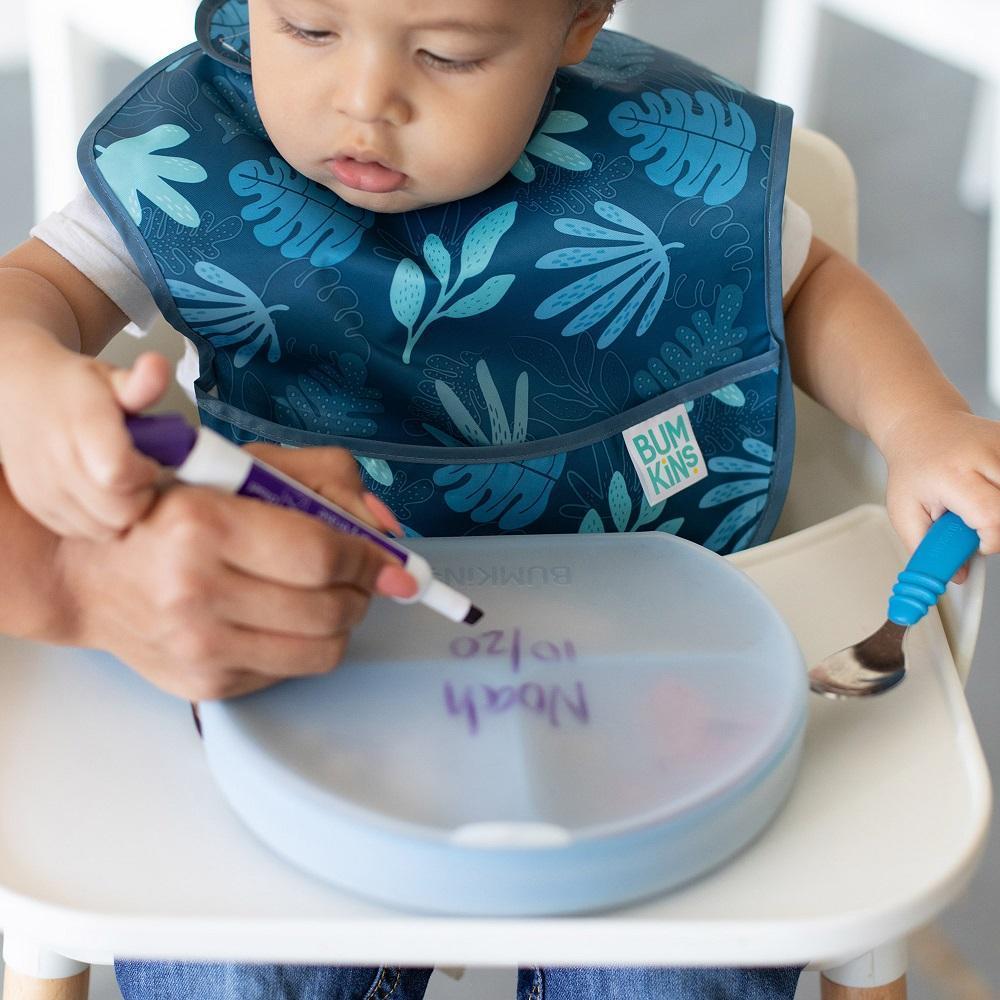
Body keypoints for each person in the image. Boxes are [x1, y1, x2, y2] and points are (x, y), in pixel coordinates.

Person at [0, 0, 997, 997]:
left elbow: (805, 282)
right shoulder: (194, 145)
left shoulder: (657, 160)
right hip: (307, 638)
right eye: (306, 29)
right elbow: (32, 289)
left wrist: (921, 426)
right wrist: (23, 371)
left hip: (644, 648)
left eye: (448, 53)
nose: (362, 100)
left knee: (683, 962)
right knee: (223, 948)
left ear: (577, 25)